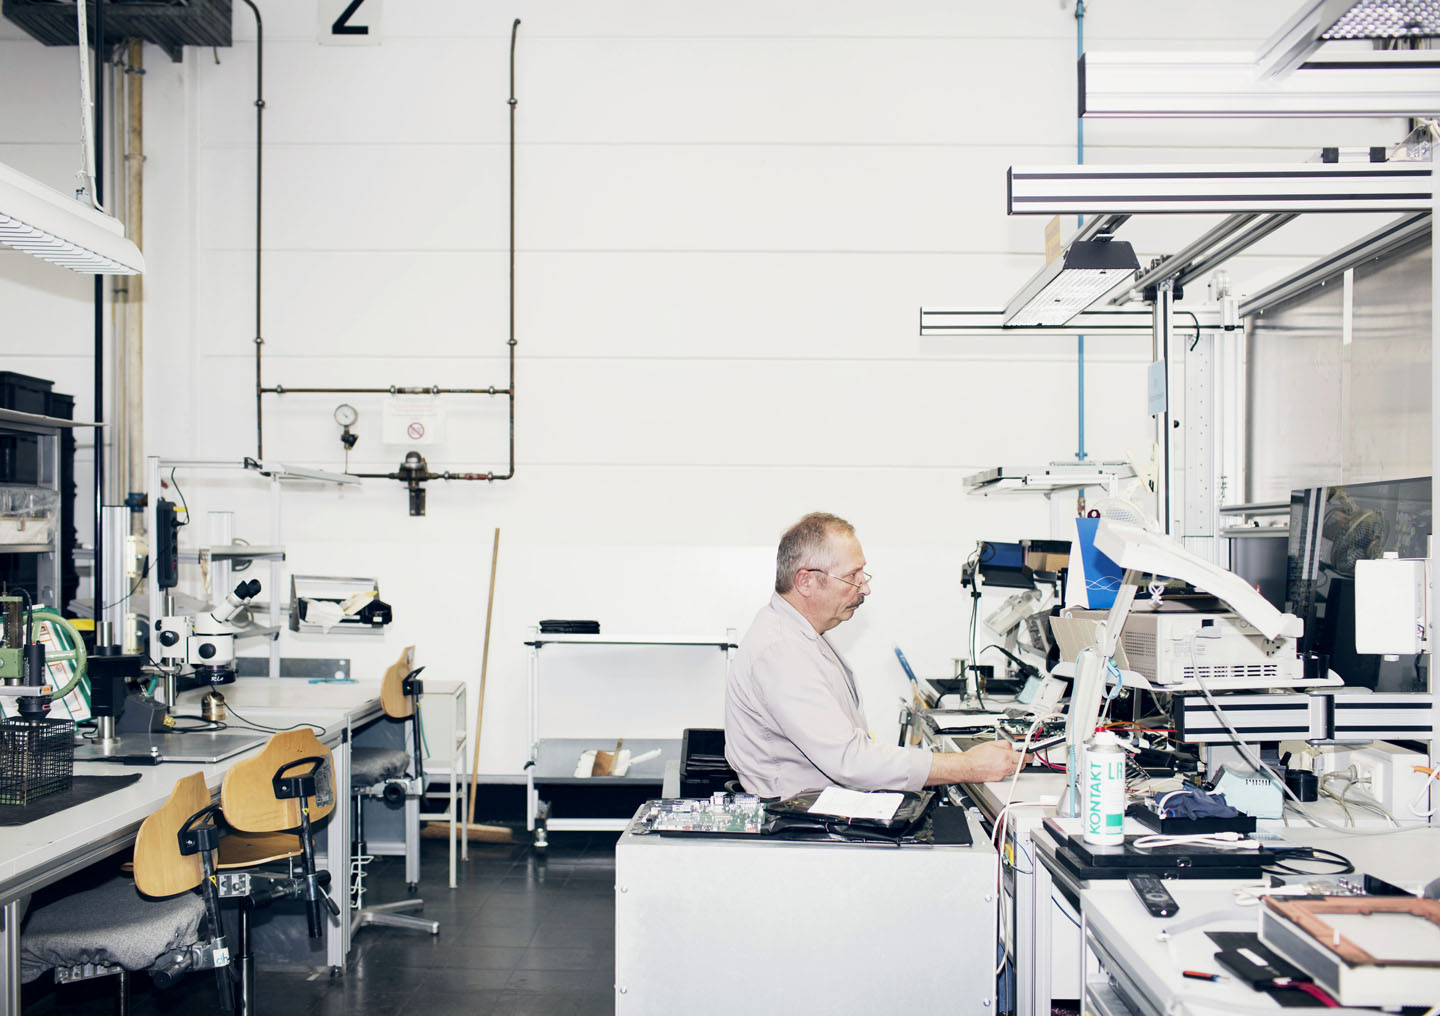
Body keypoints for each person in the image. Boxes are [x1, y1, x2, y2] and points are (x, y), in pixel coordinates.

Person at [725, 512, 1029, 799]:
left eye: (862, 573)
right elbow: (850, 761)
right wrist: (968, 766)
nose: (865, 588)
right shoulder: (782, 651)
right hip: (804, 822)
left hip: (823, 808)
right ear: (806, 581)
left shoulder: (800, 634)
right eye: (852, 576)